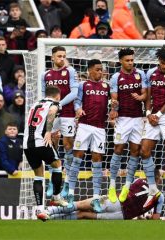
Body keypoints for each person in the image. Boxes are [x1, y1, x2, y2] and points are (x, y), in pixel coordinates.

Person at [37, 169, 164, 221]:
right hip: (122, 216)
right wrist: (145, 216)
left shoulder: (139, 180)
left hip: (116, 202)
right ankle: (52, 218)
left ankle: (49, 211)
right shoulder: (160, 196)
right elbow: (156, 218)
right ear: (158, 180)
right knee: (83, 214)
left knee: (80, 205)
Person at [141, 46, 165, 205]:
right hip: (153, 116)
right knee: (144, 151)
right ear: (159, 61)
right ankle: (152, 188)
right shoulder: (150, 73)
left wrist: (157, 115)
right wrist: (148, 113)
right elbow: (148, 96)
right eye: (163, 63)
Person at [67, 59, 109, 212]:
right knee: (77, 157)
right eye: (97, 69)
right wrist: (78, 109)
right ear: (90, 70)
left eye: (101, 70)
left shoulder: (107, 86)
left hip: (100, 128)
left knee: (97, 161)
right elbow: (76, 101)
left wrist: (114, 108)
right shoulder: (82, 85)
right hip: (84, 126)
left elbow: (113, 102)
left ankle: (96, 198)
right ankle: (70, 193)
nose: (100, 72)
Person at [107, 48, 147, 203]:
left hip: (137, 119)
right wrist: (114, 108)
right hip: (123, 119)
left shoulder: (141, 74)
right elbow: (114, 98)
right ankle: (111, 185)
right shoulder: (116, 77)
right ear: (121, 61)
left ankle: (127, 185)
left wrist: (141, 97)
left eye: (132, 60)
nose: (130, 62)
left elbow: (145, 94)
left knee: (135, 151)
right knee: (118, 149)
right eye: (127, 60)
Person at [41, 46, 79, 199]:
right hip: (52, 115)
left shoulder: (70, 71)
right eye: (59, 56)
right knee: (50, 144)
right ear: (52, 58)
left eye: (64, 56)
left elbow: (75, 92)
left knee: (68, 146)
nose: (62, 59)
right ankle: (52, 181)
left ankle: (68, 183)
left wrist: (59, 104)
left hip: (67, 114)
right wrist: (49, 108)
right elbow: (43, 94)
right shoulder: (45, 74)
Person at [23, 85, 68, 210]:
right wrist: (48, 131)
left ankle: (40, 209)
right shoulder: (54, 103)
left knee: (38, 175)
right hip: (41, 141)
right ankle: (56, 197)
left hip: (27, 144)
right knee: (57, 165)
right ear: (58, 96)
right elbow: (53, 111)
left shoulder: (35, 104)